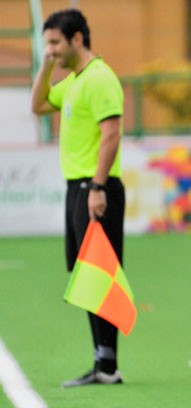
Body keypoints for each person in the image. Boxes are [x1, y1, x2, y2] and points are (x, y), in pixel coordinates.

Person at [31, 9, 126, 387]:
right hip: (79, 188)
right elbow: (37, 106)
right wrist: (45, 66)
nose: (51, 50)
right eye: (46, 44)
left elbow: (112, 134)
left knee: (101, 273)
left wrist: (98, 187)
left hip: (95, 188)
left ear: (76, 39)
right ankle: (103, 362)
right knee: (86, 273)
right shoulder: (73, 81)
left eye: (55, 42)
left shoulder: (100, 79)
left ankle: (108, 363)